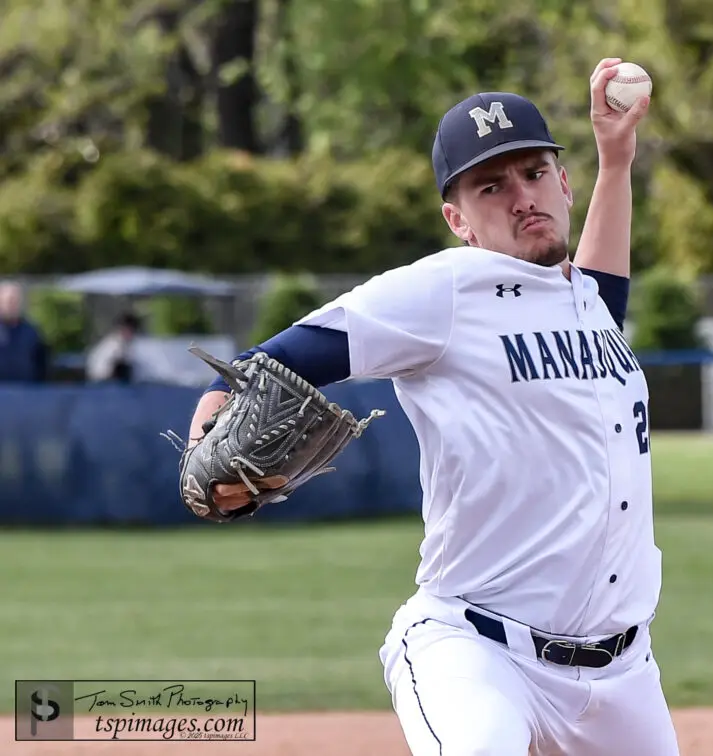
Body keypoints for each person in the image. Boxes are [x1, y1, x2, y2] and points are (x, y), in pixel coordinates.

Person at [186, 58, 679, 755]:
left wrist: (617, 158)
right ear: (458, 220)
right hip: (479, 653)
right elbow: (263, 366)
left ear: (565, 184)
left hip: (621, 676)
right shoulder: (444, 292)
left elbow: (602, 296)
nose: (522, 197)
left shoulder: (585, 305)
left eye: (534, 173)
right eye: (491, 187)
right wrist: (206, 433)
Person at [0, 281, 48, 383]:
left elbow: (41, 362)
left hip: (25, 389)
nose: (11, 304)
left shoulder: (31, 331)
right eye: (8, 300)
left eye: (15, 300)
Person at [85, 311, 141, 383]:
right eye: (129, 330)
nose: (131, 334)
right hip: (102, 380)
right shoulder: (114, 344)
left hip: (100, 379)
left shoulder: (121, 342)